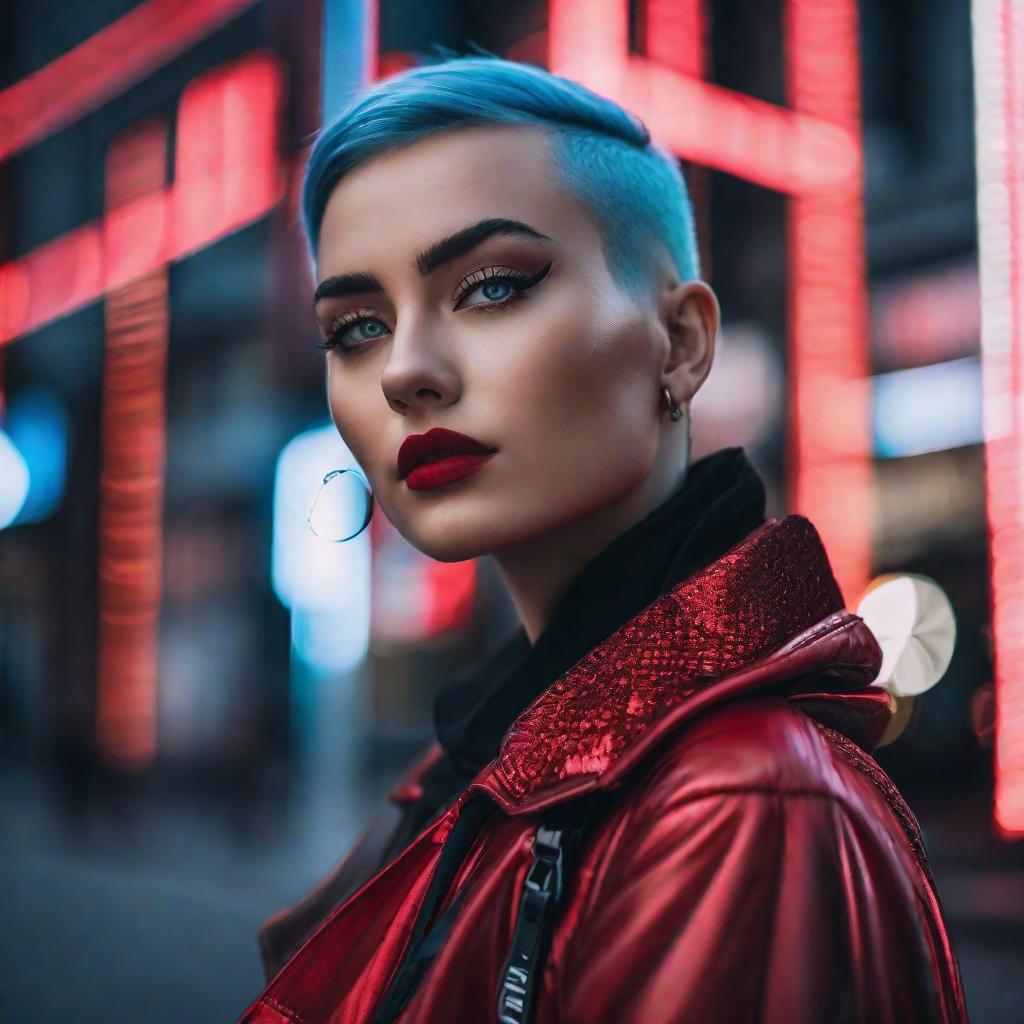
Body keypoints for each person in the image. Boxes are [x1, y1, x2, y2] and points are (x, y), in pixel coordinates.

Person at [237, 54, 968, 1024]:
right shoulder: (475, 764)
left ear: (680, 343)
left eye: (492, 286)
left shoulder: (735, 802)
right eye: (357, 327)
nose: (405, 370)